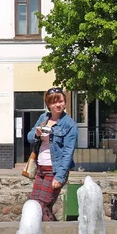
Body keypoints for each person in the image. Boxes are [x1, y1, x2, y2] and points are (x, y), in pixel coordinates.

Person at [27, 87, 78, 221]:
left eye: (60, 101)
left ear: (65, 101)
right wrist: (36, 134)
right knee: (35, 205)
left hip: (54, 170)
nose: (58, 105)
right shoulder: (43, 118)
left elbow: (68, 152)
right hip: (41, 169)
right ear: (48, 104)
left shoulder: (69, 124)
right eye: (53, 102)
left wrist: (59, 177)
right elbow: (29, 137)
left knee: (43, 205)